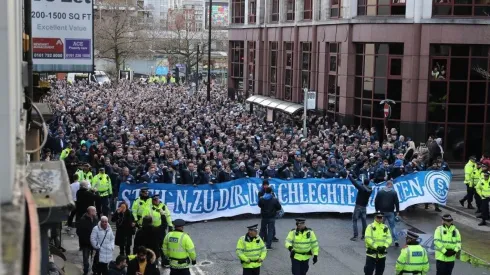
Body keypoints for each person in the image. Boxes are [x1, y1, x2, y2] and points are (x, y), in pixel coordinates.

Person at [374, 180, 400, 247]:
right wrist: (397, 211)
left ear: (386, 185)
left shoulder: (380, 192)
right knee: (393, 226)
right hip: (390, 212)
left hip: (382, 212)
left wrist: (377, 210)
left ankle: (380, 239)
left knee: (381, 226)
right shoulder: (394, 192)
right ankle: (396, 240)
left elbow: (376, 201)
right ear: (390, 185)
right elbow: (397, 202)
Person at [150, 194, 173, 265]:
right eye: (155, 200)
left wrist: (170, 225)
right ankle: (155, 260)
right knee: (154, 246)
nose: (156, 201)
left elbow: (168, 216)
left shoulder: (163, 206)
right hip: (153, 229)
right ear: (152, 201)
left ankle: (164, 260)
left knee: (163, 245)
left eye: (157, 199)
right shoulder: (150, 208)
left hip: (162, 229)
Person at [348, 173, 372, 241]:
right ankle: (364, 235)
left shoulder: (361, 188)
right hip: (364, 207)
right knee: (364, 221)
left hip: (358, 206)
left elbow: (354, 183)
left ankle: (355, 236)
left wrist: (349, 176)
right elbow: (365, 188)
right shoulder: (370, 189)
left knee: (354, 220)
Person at [77, 206, 98, 275]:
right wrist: (85, 239)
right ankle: (85, 271)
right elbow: (79, 232)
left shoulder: (95, 218)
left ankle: (94, 270)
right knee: (85, 258)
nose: (96, 212)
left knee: (95, 257)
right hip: (86, 243)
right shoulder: (83, 220)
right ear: (90, 212)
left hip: (94, 243)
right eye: (94, 211)